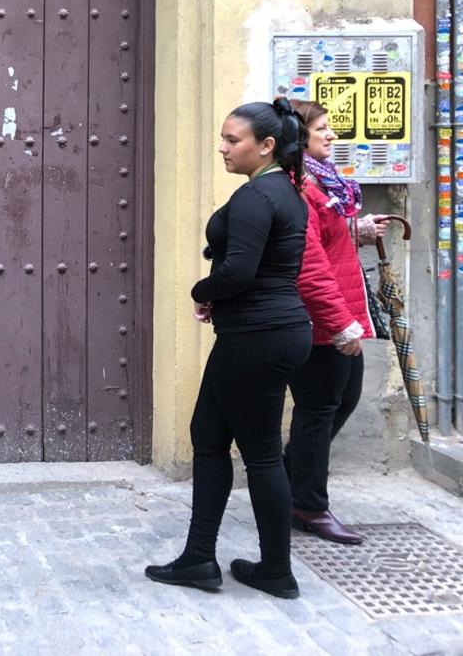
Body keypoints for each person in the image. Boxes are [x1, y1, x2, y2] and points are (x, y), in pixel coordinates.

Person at [146, 98, 312, 599]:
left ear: (265, 146)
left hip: (256, 337)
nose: (222, 147)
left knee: (261, 454)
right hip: (267, 332)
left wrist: (202, 292)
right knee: (209, 433)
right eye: (222, 137)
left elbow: (238, 271)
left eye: (231, 139)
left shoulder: (255, 198)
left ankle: (276, 571)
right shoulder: (285, 192)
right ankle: (200, 559)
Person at [285, 98, 388, 545]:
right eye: (322, 128)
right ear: (299, 137)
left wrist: (357, 232)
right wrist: (339, 322)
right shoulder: (300, 187)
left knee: (342, 398)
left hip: (340, 309)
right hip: (321, 318)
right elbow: (307, 263)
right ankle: (307, 505)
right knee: (319, 409)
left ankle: (290, 479)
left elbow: (326, 240)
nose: (332, 134)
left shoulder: (323, 184)